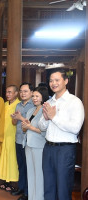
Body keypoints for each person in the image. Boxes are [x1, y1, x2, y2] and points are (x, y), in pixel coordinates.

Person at [38, 69, 85, 200]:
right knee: (48, 187)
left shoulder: (74, 102)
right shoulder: (50, 102)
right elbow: (41, 126)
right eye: (51, 80)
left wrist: (54, 117)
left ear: (66, 81)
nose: (53, 83)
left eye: (57, 80)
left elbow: (75, 128)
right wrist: (46, 119)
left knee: (63, 188)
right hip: (48, 148)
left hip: (65, 150)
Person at [21, 86, 49, 200]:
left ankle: (39, 198)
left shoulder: (45, 111)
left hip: (39, 146)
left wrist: (29, 127)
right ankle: (31, 197)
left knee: (39, 174)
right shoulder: (31, 110)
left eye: (37, 96)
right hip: (28, 144)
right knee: (30, 173)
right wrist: (25, 126)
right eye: (33, 96)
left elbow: (44, 132)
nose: (34, 98)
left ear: (43, 97)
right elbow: (24, 129)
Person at [11, 83, 34, 200]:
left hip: (28, 141)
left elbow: (30, 123)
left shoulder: (34, 105)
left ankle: (27, 192)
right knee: (21, 166)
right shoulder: (18, 105)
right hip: (18, 139)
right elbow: (15, 123)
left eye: (25, 91)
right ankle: (21, 187)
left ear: (31, 92)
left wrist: (20, 118)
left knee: (28, 167)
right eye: (21, 91)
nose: (22, 93)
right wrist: (14, 118)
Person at [0, 85, 20, 192]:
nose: (8, 94)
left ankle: (13, 182)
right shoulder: (5, 104)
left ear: (16, 93)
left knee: (12, 159)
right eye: (7, 92)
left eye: (10, 92)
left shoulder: (18, 105)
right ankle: (5, 180)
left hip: (13, 135)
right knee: (4, 157)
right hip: (4, 135)